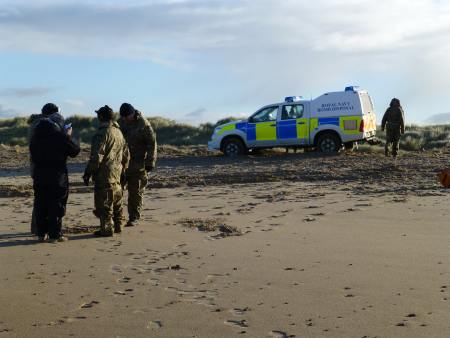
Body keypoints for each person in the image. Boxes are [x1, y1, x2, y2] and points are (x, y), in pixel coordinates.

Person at [29, 110, 80, 242]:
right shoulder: (60, 137)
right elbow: (75, 151)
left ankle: (41, 234)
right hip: (57, 176)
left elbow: (33, 155)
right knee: (56, 205)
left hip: (39, 175)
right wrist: (68, 136)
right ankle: (54, 235)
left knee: (40, 204)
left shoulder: (35, 137)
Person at [83, 105, 129, 237]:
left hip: (105, 174)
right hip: (117, 172)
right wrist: (124, 169)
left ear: (101, 117)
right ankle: (119, 225)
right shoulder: (118, 132)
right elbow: (126, 154)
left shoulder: (102, 133)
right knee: (117, 202)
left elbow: (97, 156)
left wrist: (88, 172)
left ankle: (107, 229)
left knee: (104, 204)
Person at [118, 103, 157, 227]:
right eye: (123, 117)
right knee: (117, 191)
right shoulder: (120, 122)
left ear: (133, 113)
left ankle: (133, 218)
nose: (125, 119)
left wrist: (150, 162)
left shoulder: (144, 125)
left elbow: (152, 144)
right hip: (121, 164)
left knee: (136, 192)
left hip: (138, 164)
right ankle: (116, 217)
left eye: (127, 116)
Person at [28, 103, 61, 235]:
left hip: (36, 165)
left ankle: (38, 228)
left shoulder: (35, 124)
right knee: (46, 199)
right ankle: (40, 228)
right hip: (44, 166)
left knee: (40, 198)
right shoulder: (44, 125)